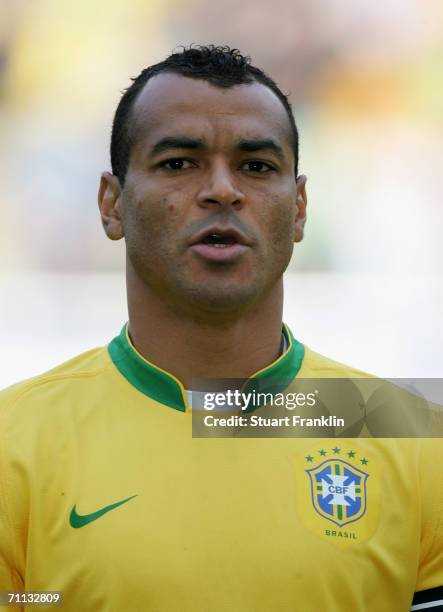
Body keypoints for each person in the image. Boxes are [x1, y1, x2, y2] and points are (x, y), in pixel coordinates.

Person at [0, 45, 441, 612]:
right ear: (111, 204)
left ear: (300, 207)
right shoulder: (12, 444)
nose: (222, 190)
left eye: (256, 166)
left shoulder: (413, 434)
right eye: (179, 163)